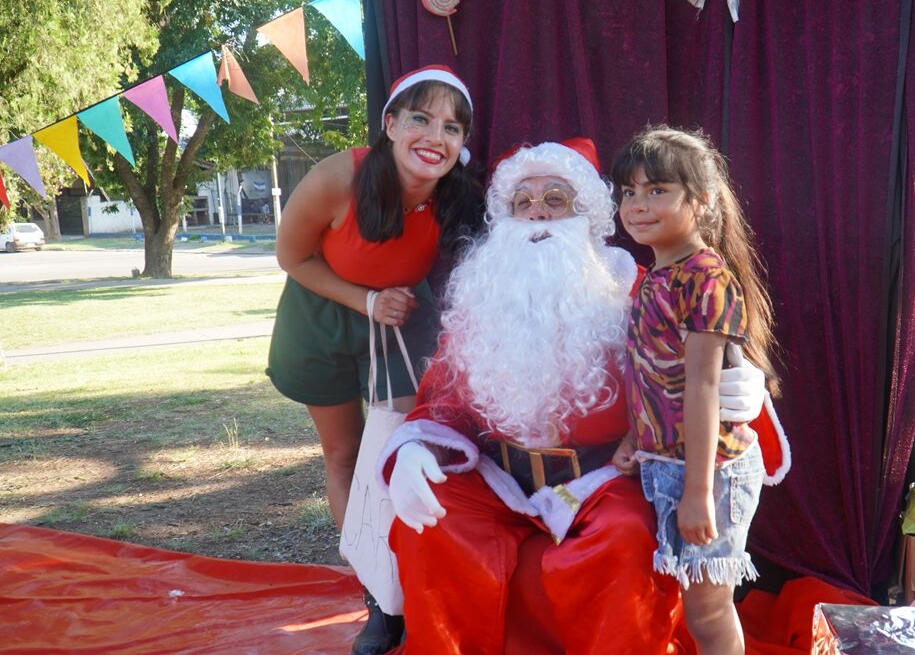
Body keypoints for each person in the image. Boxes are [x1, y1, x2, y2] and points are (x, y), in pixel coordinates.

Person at [376, 138, 784, 653]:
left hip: (604, 477)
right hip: (497, 477)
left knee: (626, 537)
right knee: (432, 526)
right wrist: (413, 448)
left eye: (555, 199)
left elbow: (703, 363)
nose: (536, 214)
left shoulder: (639, 286)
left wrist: (744, 388)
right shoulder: (483, 297)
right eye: (521, 202)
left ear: (586, 214)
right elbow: (444, 397)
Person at [265, 65, 482, 653]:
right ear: (390, 124)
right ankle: (379, 602)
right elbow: (290, 256)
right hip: (321, 316)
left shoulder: (458, 199)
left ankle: (410, 583)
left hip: (401, 323)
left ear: (462, 145)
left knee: (398, 454)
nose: (435, 136)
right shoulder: (340, 175)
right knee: (344, 454)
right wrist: (365, 299)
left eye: (452, 127)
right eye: (420, 118)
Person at [610, 125, 783, 654]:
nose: (638, 205)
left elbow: (704, 387)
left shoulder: (704, 278)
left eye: (657, 190)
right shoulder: (657, 277)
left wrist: (698, 492)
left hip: (712, 473)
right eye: (628, 192)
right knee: (691, 603)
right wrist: (636, 440)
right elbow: (652, 373)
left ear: (701, 199)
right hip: (670, 464)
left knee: (708, 610)